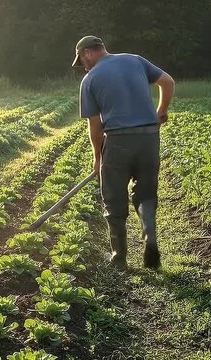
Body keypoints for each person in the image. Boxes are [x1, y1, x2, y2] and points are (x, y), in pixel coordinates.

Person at [72, 35, 175, 269]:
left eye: (82, 61)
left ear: (88, 53)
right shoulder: (135, 60)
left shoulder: (89, 80)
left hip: (118, 141)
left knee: (113, 196)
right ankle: (150, 238)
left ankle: (119, 258)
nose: (83, 66)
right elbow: (167, 82)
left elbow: (95, 125)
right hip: (149, 139)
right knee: (146, 192)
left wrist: (98, 158)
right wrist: (161, 111)